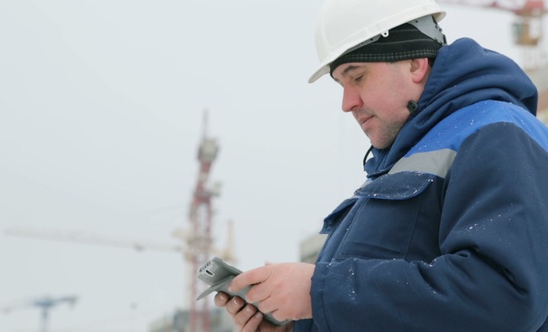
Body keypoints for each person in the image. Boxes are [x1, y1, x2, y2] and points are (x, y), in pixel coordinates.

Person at [214, 0, 548, 330]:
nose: (347, 103)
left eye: (357, 76)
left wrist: (318, 292)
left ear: (415, 64)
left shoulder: (495, 132)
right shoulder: (404, 161)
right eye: (341, 85)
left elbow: (505, 299)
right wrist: (303, 324)